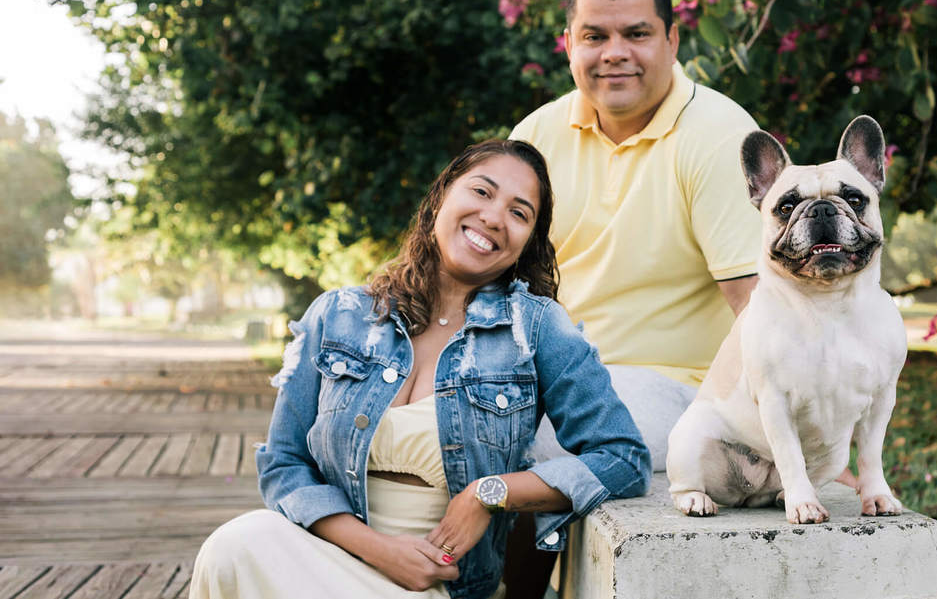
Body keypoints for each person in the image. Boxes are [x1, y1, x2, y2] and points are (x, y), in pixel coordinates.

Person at [189, 139, 651, 599]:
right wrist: (377, 550)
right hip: (328, 557)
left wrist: (490, 494)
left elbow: (622, 458)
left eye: (519, 212)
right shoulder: (338, 314)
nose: (493, 217)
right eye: (482, 192)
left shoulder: (536, 329)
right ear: (440, 199)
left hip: (439, 582)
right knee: (235, 544)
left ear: (527, 241)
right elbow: (285, 463)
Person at [505, 0, 762, 597]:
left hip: (679, 391)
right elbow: (494, 283)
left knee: (530, 448)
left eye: (636, 34)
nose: (614, 53)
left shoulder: (719, 134)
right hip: (553, 376)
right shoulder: (537, 135)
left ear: (672, 40)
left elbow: (760, 311)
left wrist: (796, 449)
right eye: (595, 36)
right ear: (570, 44)